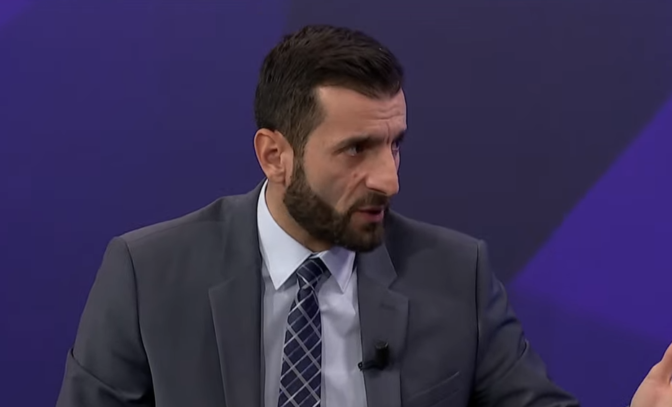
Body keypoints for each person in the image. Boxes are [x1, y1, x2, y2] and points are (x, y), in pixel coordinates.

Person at [56, 24, 672, 407]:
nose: (389, 179)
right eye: (356, 150)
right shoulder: (149, 274)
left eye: (395, 144)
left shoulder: (455, 274)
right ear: (275, 156)